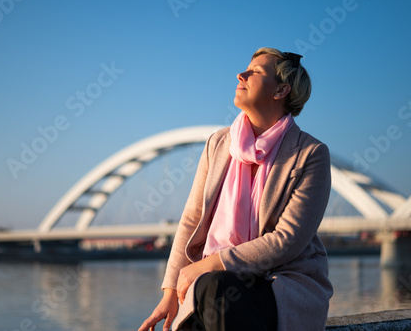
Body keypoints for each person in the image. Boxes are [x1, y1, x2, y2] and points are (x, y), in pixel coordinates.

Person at [139, 47, 333, 331]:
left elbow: (287, 240)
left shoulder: (310, 153)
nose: (240, 74)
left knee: (215, 287)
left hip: (278, 285)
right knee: (210, 297)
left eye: (254, 72)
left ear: (281, 90)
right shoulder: (218, 144)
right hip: (214, 290)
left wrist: (209, 264)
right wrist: (169, 293)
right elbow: (192, 219)